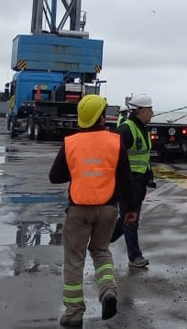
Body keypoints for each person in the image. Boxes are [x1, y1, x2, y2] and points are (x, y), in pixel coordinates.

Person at [49, 95, 137, 328]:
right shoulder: (115, 141)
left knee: (74, 260)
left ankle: (74, 313)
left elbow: (55, 176)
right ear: (101, 116)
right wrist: (131, 210)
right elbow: (126, 179)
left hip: (78, 210)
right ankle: (108, 292)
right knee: (101, 252)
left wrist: (78, 169)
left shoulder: (71, 142)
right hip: (108, 209)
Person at [110, 93, 155, 268]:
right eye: (149, 109)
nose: (152, 112)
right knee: (131, 219)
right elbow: (115, 158)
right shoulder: (126, 130)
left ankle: (105, 238)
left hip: (139, 182)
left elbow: (143, 156)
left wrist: (149, 174)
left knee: (128, 217)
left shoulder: (142, 128)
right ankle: (134, 256)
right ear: (139, 111)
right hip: (127, 184)